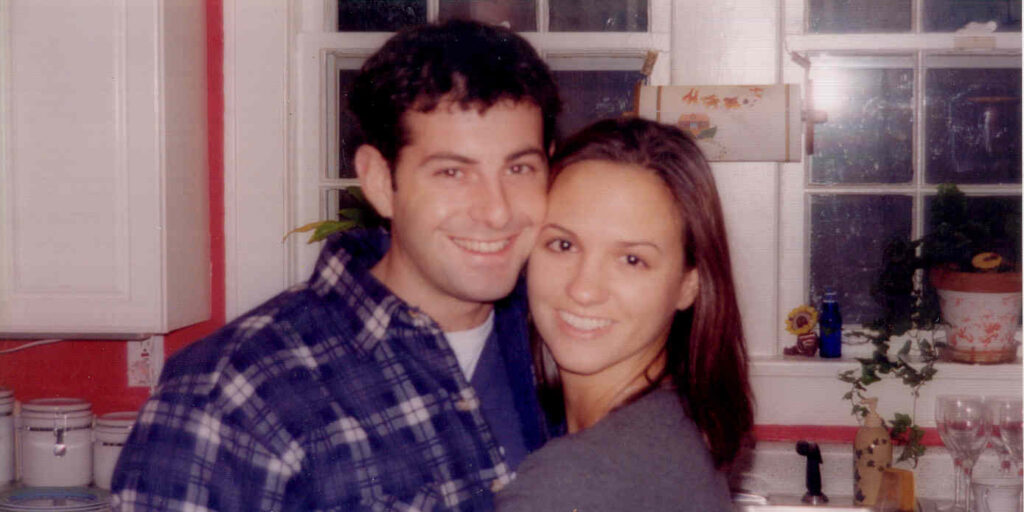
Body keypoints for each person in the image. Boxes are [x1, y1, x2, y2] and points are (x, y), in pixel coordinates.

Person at [111, 19, 561, 511]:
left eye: (519, 168)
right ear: (378, 180)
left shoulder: (567, 343)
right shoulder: (234, 387)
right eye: (453, 172)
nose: (496, 210)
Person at [495, 117, 754, 511]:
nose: (583, 288)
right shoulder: (678, 427)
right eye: (563, 244)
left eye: (632, 259)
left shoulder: (574, 481)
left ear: (689, 285)